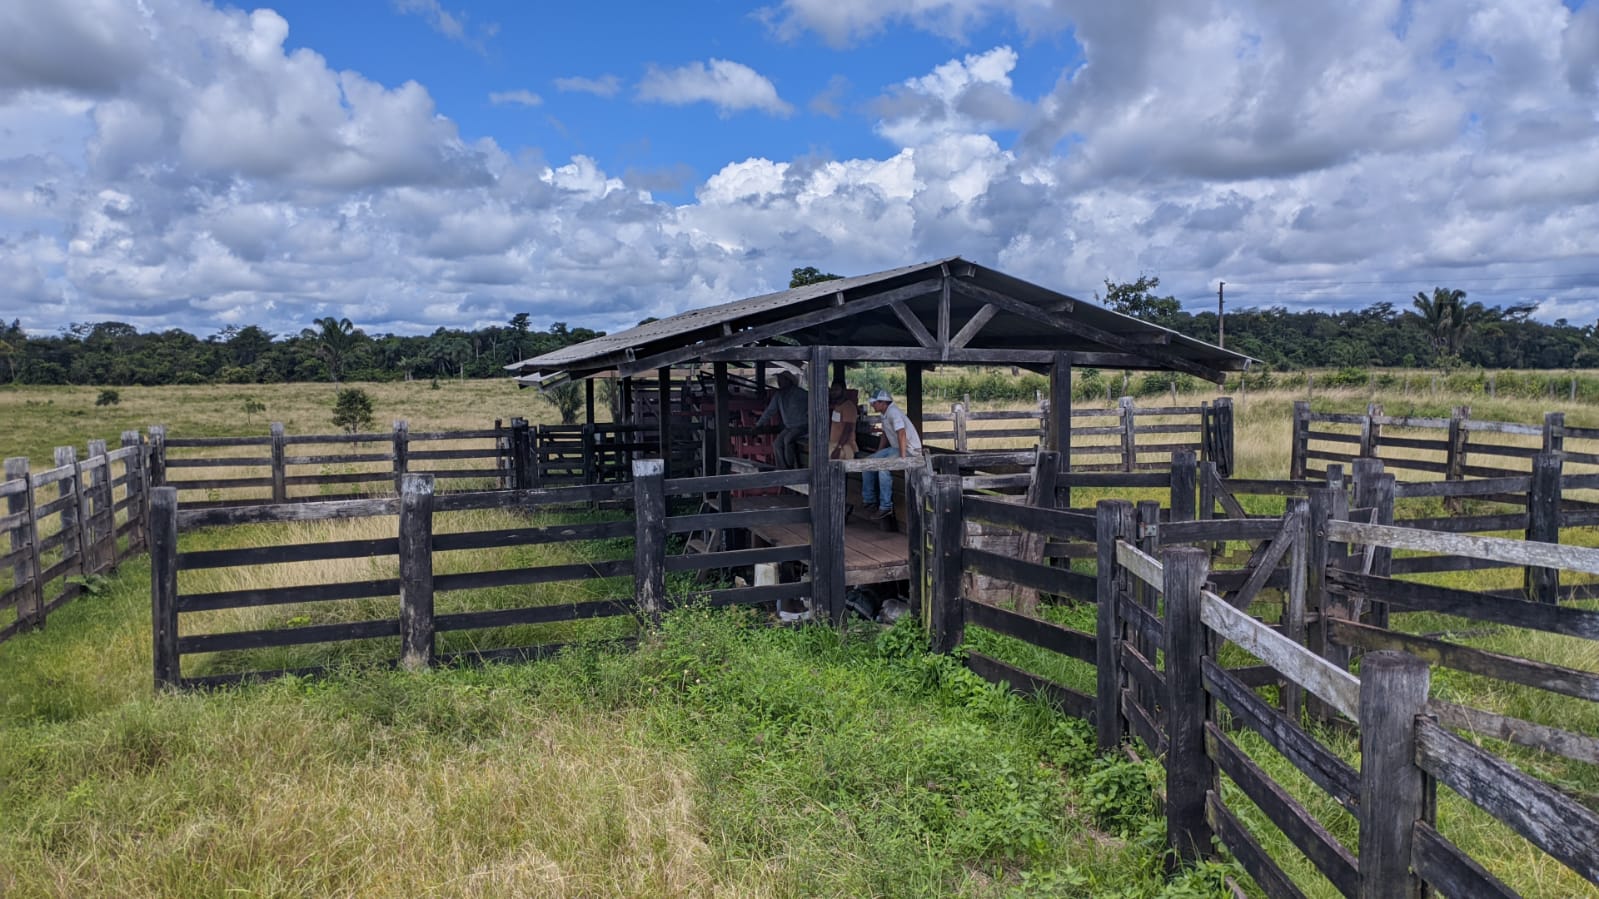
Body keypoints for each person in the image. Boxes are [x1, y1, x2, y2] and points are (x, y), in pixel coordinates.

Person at [861, 388, 922, 529]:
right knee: (867, 462)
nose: (873, 405)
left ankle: (885, 505)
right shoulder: (885, 414)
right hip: (897, 448)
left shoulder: (893, 413)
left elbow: (901, 434)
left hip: (909, 450)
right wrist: (878, 453)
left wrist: (902, 458)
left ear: (883, 403)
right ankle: (869, 500)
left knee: (884, 467)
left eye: (875, 403)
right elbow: (885, 434)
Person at [754, 371, 807, 468]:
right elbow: (770, 411)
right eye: (778, 380)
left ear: (788, 381)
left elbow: (812, 406)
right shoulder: (779, 395)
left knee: (788, 439)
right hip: (789, 427)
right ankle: (782, 468)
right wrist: (759, 424)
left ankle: (790, 467)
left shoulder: (801, 393)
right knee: (776, 444)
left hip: (802, 426)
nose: (779, 382)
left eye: (781, 380)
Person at [826, 382, 858, 460]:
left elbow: (848, 429)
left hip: (845, 446)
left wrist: (839, 448)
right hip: (833, 444)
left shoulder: (849, 407)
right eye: (832, 389)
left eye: (836, 389)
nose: (833, 392)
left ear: (844, 391)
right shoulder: (837, 406)